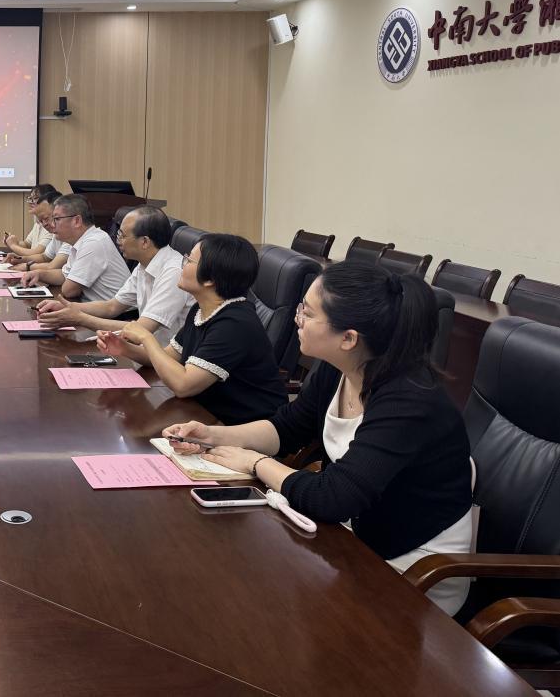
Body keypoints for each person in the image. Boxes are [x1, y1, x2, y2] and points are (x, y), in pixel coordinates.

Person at [161, 262, 474, 615]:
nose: (297, 319)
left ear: (348, 338)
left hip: (412, 567)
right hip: (351, 536)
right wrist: (212, 435)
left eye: (308, 313)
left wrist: (255, 463)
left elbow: (333, 497)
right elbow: (287, 427)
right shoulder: (341, 367)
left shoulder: (408, 400)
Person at [98, 234, 284, 425]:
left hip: (245, 427)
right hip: (205, 415)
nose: (182, 264)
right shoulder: (202, 309)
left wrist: (146, 338)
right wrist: (124, 348)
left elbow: (183, 385)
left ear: (210, 279)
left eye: (189, 260)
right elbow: (166, 357)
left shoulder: (234, 324)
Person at [36, 207, 191, 342]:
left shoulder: (173, 272)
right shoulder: (144, 264)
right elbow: (112, 306)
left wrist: (80, 319)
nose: (118, 241)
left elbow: (142, 329)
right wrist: (69, 307)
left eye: (122, 235)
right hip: (144, 350)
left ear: (144, 242)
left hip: (168, 359)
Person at [19, 194, 129, 301]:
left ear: (76, 221)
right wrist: (38, 274)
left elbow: (69, 290)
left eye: (56, 219)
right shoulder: (79, 241)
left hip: (119, 313)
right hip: (94, 307)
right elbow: (64, 275)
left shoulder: (94, 242)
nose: (52, 224)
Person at [4, 184, 59, 264]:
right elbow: (27, 244)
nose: (30, 202)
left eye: (35, 198)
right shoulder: (38, 223)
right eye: (30, 198)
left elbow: (37, 253)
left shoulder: (52, 226)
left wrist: (13, 245)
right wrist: (12, 242)